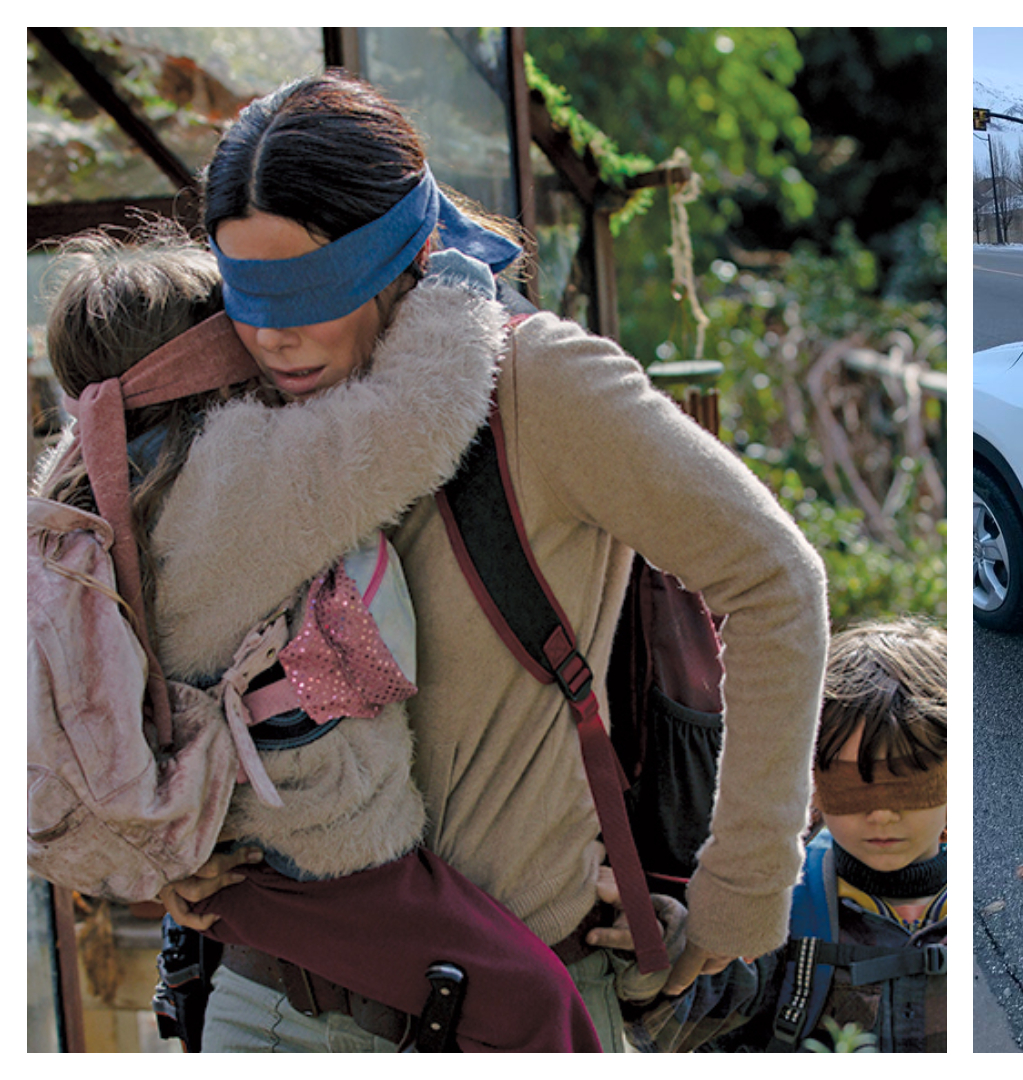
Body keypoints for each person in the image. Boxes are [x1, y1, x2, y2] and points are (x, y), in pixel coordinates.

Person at [156, 70, 829, 1053]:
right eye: (247, 295)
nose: (273, 333)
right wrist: (155, 838)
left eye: (312, 291)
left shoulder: (538, 384)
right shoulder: (231, 397)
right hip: (264, 998)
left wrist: (745, 888)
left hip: (501, 1004)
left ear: (405, 254)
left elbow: (777, 579)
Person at [32, 224, 602, 1052]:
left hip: (222, 847)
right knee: (543, 1010)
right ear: (206, 353)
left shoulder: (79, 478)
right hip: (327, 856)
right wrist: (454, 281)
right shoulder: (226, 476)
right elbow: (416, 419)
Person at [633, 619, 948, 1053]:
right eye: (850, 783)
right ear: (811, 780)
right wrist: (666, 941)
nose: (881, 812)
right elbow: (683, 1017)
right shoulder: (777, 908)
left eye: (911, 780)